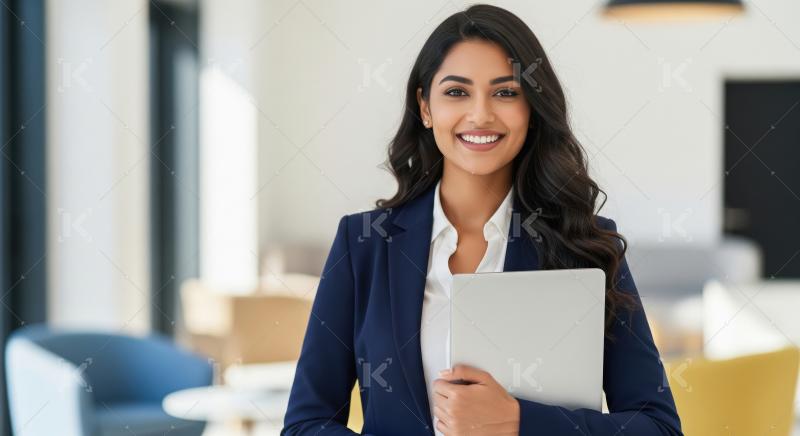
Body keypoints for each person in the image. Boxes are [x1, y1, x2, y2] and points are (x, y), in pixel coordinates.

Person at [282, 4, 683, 435]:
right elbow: (307, 423)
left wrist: (519, 422)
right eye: (457, 92)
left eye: (506, 92)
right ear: (425, 106)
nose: (480, 115)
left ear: (532, 108)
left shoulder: (584, 244)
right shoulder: (363, 244)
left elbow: (657, 426)